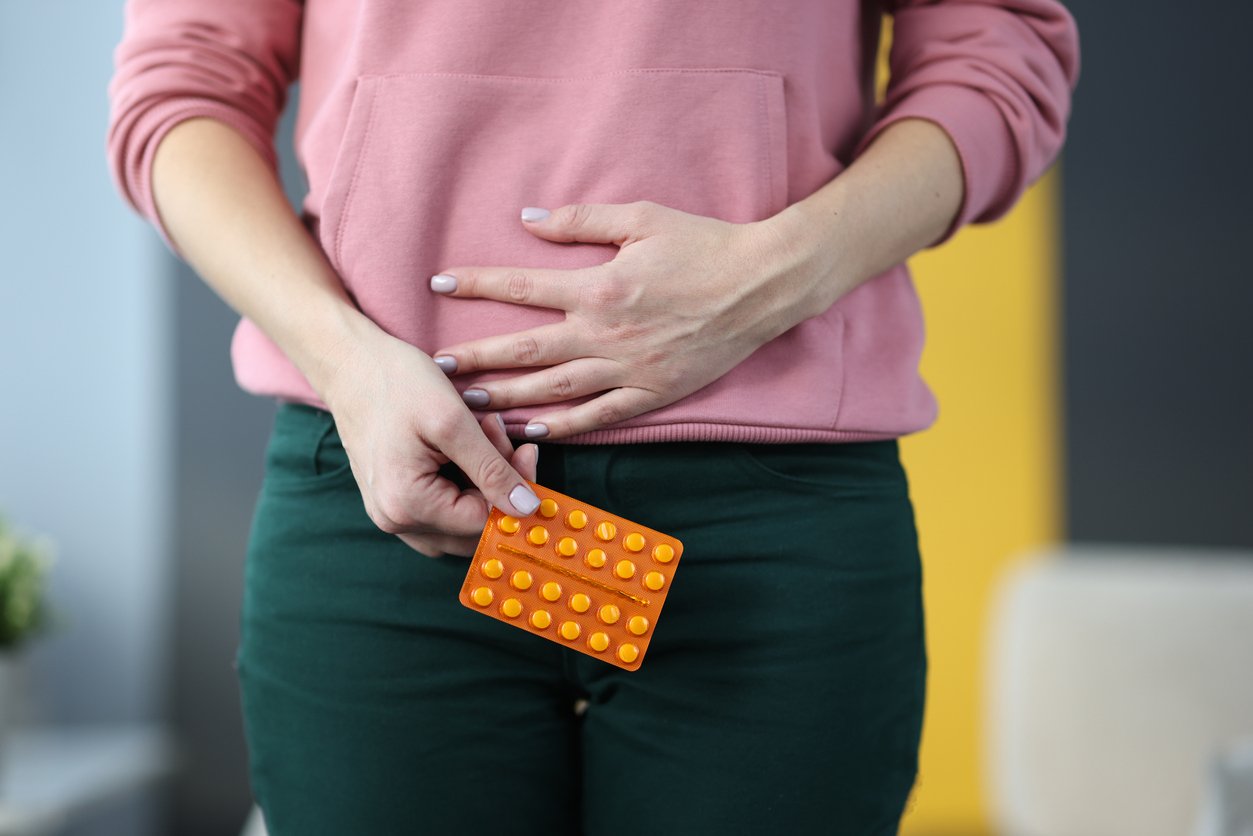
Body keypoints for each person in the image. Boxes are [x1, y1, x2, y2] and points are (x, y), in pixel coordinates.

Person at [108, 1, 1079, 833]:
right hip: (388, 484)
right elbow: (181, 89)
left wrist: (772, 274)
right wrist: (346, 361)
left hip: (767, 520)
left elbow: (995, 49)